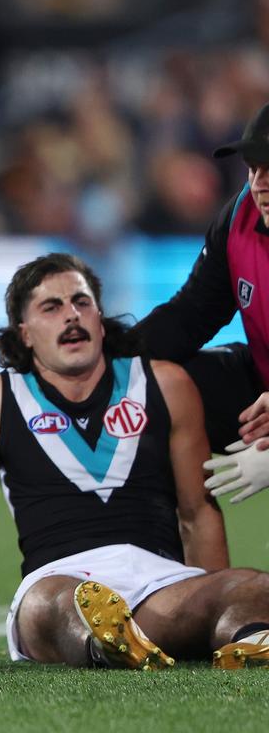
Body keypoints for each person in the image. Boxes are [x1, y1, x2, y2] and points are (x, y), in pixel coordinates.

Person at [0, 253, 269, 669]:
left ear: (99, 317)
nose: (71, 315)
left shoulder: (166, 384)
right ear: (25, 333)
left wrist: (210, 601)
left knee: (250, 586)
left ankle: (246, 639)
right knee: (54, 604)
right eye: (51, 308)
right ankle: (109, 644)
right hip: (58, 579)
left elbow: (197, 513)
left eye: (82, 302)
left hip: (161, 585)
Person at [134, 101, 269, 503]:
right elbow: (192, 314)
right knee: (153, 387)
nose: (260, 184)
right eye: (253, 167)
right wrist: (107, 359)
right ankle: (170, 557)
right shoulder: (239, 218)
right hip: (260, 398)